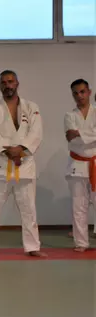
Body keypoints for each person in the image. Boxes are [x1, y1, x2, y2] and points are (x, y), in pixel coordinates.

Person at [0, 70, 46, 258]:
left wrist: (21, 149)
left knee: (29, 210)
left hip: (24, 164)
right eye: (3, 82)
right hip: (1, 163)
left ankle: (32, 247)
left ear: (17, 83)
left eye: (10, 81)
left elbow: (36, 133)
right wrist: (9, 151)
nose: (7, 85)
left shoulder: (31, 107)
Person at [64, 78, 96, 252]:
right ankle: (81, 243)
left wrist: (80, 134)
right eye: (75, 93)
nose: (79, 96)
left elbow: (77, 137)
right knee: (78, 207)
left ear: (89, 92)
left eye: (82, 92)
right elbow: (71, 140)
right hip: (77, 165)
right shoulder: (69, 116)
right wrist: (90, 136)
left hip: (95, 163)